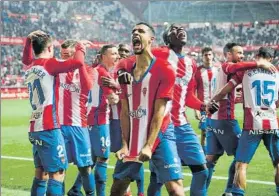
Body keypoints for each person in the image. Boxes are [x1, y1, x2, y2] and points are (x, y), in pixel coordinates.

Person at [110, 22, 185, 196]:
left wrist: (149, 146)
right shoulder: (124, 69)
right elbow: (124, 110)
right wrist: (124, 144)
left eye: (141, 31)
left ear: (151, 39)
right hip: (135, 131)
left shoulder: (165, 69)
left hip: (160, 132)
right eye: (133, 31)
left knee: (175, 188)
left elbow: (159, 111)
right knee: (118, 188)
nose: (135, 33)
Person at [23, 36, 95, 196]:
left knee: (84, 167)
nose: (65, 58)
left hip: (76, 125)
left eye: (69, 54)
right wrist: (80, 49)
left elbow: (88, 86)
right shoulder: (54, 68)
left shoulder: (86, 69)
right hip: (55, 126)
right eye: (62, 54)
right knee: (57, 171)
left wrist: (29, 41)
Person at [205, 43, 276, 196]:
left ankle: (217, 192)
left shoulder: (238, 71)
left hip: (231, 121)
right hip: (264, 121)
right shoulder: (274, 72)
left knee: (226, 161)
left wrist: (213, 101)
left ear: (257, 55)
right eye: (239, 53)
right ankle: (230, 191)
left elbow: (226, 90)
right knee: (269, 162)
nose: (243, 56)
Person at [102, 43, 145, 196]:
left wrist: (117, 87)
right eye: (120, 52)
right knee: (122, 157)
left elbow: (136, 94)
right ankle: (127, 190)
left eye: (126, 51)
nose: (123, 54)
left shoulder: (136, 71)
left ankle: (139, 191)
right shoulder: (114, 72)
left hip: (132, 121)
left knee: (132, 157)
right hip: (115, 120)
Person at [86, 44, 120, 196]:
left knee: (91, 161)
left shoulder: (95, 69)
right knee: (103, 158)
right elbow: (113, 99)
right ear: (103, 56)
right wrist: (123, 90)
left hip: (90, 119)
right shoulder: (103, 73)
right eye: (113, 54)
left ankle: (77, 190)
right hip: (99, 120)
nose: (117, 56)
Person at [194, 47, 219, 154]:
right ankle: (204, 155)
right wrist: (196, 109)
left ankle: (212, 153)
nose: (208, 57)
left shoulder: (218, 70)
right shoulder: (197, 71)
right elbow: (193, 90)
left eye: (209, 54)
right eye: (205, 55)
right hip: (203, 106)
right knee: (204, 132)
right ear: (202, 57)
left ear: (213, 56)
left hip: (216, 106)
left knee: (216, 131)